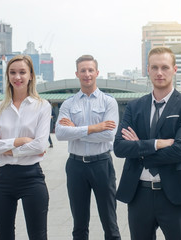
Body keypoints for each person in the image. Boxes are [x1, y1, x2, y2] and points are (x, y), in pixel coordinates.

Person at [114, 47, 181, 240]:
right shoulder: (134, 107)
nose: (159, 73)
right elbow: (119, 147)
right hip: (139, 194)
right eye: (154, 67)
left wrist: (140, 150)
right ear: (148, 70)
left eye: (164, 67)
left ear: (174, 69)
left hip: (174, 195)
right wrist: (157, 144)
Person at [0, 55, 51, 240]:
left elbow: (40, 145)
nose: (17, 77)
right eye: (12, 72)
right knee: (3, 235)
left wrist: (4, 148)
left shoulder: (42, 106)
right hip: (3, 179)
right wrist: (19, 141)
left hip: (32, 177)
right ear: (8, 76)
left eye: (22, 72)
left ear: (31, 76)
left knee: (38, 235)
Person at [55, 55, 121, 240]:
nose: (87, 74)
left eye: (90, 70)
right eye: (83, 70)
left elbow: (108, 135)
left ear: (97, 72)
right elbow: (60, 133)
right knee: (79, 223)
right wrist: (93, 128)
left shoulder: (109, 102)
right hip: (75, 166)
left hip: (102, 164)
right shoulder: (68, 103)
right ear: (77, 73)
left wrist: (75, 130)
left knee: (109, 221)